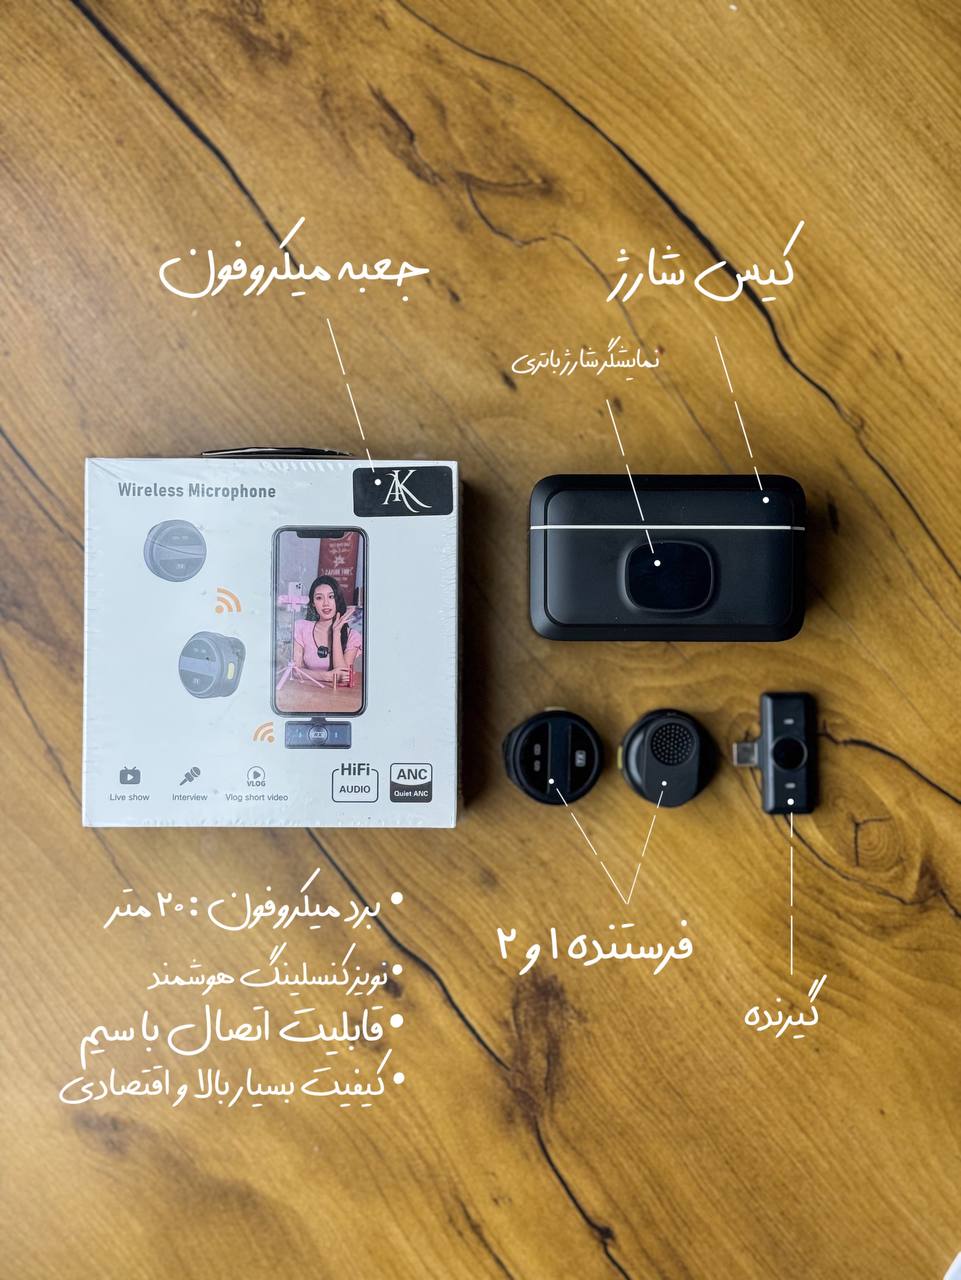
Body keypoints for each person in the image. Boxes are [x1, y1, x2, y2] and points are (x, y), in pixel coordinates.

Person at [292, 576, 362, 685]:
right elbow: (295, 671)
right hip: (308, 691)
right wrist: (327, 676)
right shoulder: (301, 627)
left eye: (331, 597)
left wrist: (336, 633)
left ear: (337, 600)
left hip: (338, 695)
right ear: (313, 603)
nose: (326, 603)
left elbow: (343, 679)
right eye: (319, 598)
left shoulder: (352, 636)